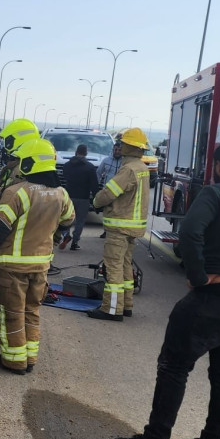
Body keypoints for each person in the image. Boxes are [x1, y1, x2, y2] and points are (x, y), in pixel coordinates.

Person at [115, 140, 220, 439]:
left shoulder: (216, 193)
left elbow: (189, 233)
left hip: (217, 295)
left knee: (174, 366)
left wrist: (199, 277)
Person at [0, 138, 75, 374]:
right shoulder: (60, 193)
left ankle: (14, 361)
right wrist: (53, 237)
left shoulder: (16, 193)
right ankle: (30, 357)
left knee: (10, 312)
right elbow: (68, 220)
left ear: (29, 163)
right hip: (41, 265)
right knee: (32, 310)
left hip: (11, 266)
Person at [0, 118, 41, 346]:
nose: (5, 146)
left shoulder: (21, 174)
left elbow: (4, 216)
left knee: (10, 303)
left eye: (10, 140)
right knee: (25, 305)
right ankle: (21, 345)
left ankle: (13, 349)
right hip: (23, 251)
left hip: (10, 249)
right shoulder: (16, 168)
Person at [88, 128, 149, 321]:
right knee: (125, 266)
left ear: (130, 147)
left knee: (113, 267)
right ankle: (126, 305)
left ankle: (112, 309)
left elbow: (109, 192)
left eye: (123, 143)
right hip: (133, 227)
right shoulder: (142, 168)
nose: (120, 146)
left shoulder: (128, 170)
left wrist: (96, 202)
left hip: (120, 227)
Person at [59, 144, 99, 251]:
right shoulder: (90, 167)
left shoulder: (67, 165)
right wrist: (97, 200)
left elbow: (64, 177)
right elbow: (94, 185)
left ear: (76, 152)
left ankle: (65, 234)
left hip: (69, 196)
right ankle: (75, 242)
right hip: (83, 197)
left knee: (65, 218)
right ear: (86, 153)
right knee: (80, 221)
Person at [96, 142, 123, 239]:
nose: (117, 152)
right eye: (115, 149)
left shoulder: (124, 163)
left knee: (118, 212)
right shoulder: (106, 160)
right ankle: (106, 231)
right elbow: (99, 173)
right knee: (107, 213)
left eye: (119, 150)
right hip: (108, 191)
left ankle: (116, 232)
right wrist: (96, 187)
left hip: (120, 192)